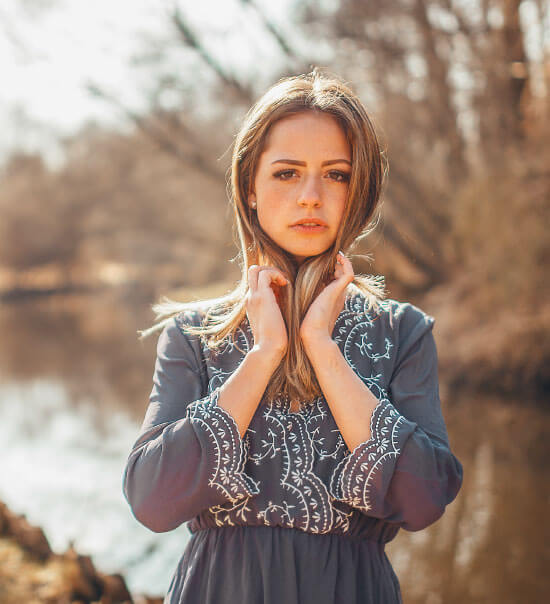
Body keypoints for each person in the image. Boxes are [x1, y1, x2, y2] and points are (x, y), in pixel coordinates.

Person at [122, 67, 463, 603]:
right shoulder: (193, 335)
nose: (311, 196)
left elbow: (423, 500)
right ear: (249, 188)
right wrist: (264, 354)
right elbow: (152, 500)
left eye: (336, 174)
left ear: (359, 191)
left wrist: (324, 351)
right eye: (286, 173)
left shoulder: (403, 332)